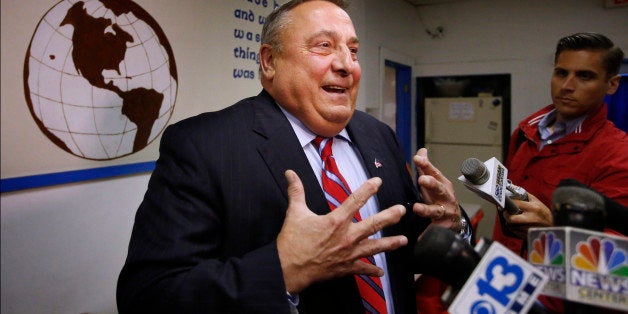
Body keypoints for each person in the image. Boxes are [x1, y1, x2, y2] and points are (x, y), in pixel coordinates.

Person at [116, 1, 470, 313]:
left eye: (353, 50)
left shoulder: (379, 135)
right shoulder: (202, 145)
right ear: (270, 61)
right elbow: (148, 296)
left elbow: (396, 246)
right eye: (324, 46)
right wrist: (283, 269)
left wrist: (446, 227)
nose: (347, 65)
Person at [492, 32, 628, 313]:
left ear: (611, 85)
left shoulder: (618, 153)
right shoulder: (525, 131)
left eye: (585, 76)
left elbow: (616, 265)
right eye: (561, 72)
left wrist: (550, 229)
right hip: (504, 280)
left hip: (558, 301)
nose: (567, 86)